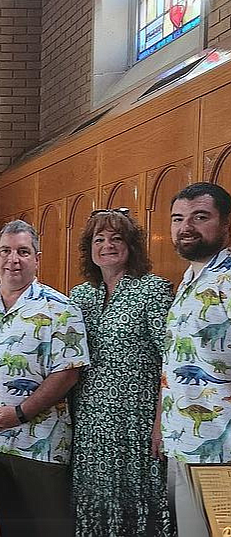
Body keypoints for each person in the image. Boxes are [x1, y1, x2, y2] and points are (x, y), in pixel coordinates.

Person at [0, 219, 89, 537]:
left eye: (24, 252)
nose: (14, 259)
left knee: (49, 528)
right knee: (2, 528)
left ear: (37, 259)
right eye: (6, 251)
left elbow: (67, 373)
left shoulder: (61, 309)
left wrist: (20, 412)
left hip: (39, 445)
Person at [68, 209, 173, 537]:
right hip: (89, 421)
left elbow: (170, 360)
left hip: (137, 420)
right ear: (90, 249)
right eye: (99, 239)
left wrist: (160, 423)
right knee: (94, 494)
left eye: (116, 238)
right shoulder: (79, 295)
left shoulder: (152, 290)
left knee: (136, 495)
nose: (107, 245)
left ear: (131, 246)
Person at [158, 183, 231, 536]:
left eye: (200, 217)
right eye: (178, 218)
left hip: (221, 447)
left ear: (226, 224)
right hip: (183, 440)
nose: (186, 227)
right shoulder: (190, 278)